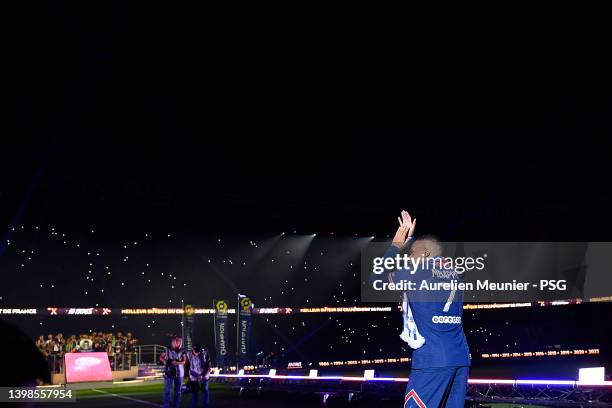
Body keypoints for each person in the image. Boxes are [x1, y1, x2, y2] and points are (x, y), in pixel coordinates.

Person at [376, 210, 470, 408]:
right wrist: (411, 240)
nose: (408, 256)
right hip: (459, 357)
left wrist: (396, 245)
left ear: (425, 254)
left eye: (411, 253)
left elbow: (377, 278)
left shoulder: (415, 273)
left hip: (432, 360)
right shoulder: (453, 273)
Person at [160, 336, 186, 408]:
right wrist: (165, 361)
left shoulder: (182, 350)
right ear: (173, 341)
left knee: (178, 391)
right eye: (176, 341)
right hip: (169, 373)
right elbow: (161, 357)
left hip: (179, 373)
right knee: (168, 390)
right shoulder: (167, 349)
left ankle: (176, 405)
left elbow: (184, 361)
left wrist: (177, 363)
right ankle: (166, 405)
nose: (178, 342)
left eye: (179, 341)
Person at [186, 343, 212, 408]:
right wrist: (189, 377)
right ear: (192, 349)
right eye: (195, 351)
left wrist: (203, 375)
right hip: (193, 377)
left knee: (205, 391)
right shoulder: (188, 354)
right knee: (194, 393)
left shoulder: (205, 354)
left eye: (198, 351)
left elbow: (209, 367)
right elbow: (186, 367)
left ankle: (206, 406)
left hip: (205, 377)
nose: (197, 353)